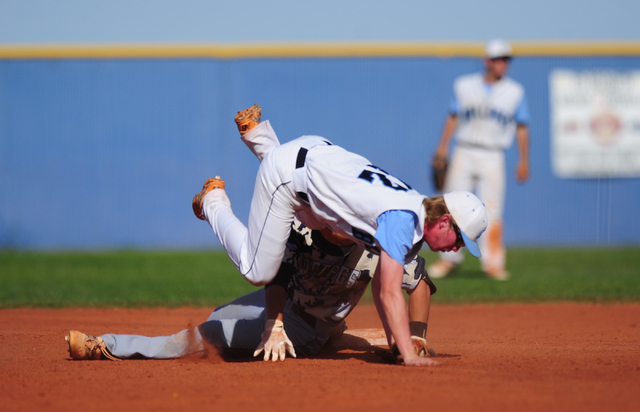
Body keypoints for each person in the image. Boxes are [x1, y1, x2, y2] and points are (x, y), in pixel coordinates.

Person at [65, 108, 439, 364]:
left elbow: (419, 281)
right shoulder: (303, 223)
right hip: (283, 302)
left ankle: (108, 345)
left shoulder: (378, 239)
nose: (332, 214)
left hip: (303, 331)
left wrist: (418, 337)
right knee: (225, 311)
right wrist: (270, 324)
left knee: (200, 336)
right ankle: (260, 144)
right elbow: (277, 274)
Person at [192, 105, 488, 366]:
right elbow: (388, 293)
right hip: (291, 176)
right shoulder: (403, 221)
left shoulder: (413, 207)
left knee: (319, 220)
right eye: (460, 239)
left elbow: (384, 284)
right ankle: (213, 202)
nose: (457, 248)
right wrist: (409, 355)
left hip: (318, 154)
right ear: (445, 221)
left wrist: (397, 341)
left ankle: (259, 137)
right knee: (257, 269)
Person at [428, 39, 530, 281]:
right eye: (498, 59)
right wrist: (442, 148)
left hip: (494, 154)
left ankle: (493, 263)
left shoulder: (515, 92)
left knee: (492, 209)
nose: (502, 64)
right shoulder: (465, 85)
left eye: (506, 59)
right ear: (487, 61)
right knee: (451, 206)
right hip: (464, 149)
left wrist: (524, 160)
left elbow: (522, 127)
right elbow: (453, 117)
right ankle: (448, 259)